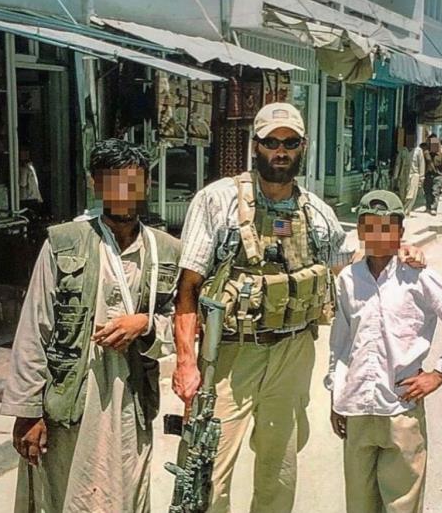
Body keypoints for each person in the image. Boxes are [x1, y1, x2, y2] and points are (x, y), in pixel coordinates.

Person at [172, 102, 426, 513]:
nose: (280, 151)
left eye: (289, 143)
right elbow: (187, 290)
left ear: (302, 147)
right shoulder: (217, 201)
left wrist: (401, 249)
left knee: (279, 470)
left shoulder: (317, 213)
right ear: (255, 146)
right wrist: (186, 363)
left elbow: (352, 258)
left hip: (292, 353)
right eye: (271, 142)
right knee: (207, 469)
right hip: (230, 355)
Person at [0, 139, 181, 513]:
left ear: (146, 185)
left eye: (133, 182)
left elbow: (181, 325)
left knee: (126, 493)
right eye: (113, 182)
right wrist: (28, 410)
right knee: (65, 496)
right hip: (70, 404)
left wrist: (145, 324)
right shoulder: (65, 243)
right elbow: (35, 329)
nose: (124, 193)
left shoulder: (165, 250)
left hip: (130, 403)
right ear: (94, 185)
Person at [327, 190, 442, 513]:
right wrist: (336, 398)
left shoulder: (417, 277)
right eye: (370, 226)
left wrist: (437, 374)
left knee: (402, 507)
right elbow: (340, 346)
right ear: (359, 231)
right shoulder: (348, 281)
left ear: (400, 231)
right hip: (357, 413)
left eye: (387, 227)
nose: (379, 234)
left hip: (400, 412)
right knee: (358, 506)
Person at [422, 136, 442, 216]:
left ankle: (434, 208)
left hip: (437, 176)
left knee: (435, 192)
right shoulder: (426, 154)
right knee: (427, 192)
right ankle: (428, 207)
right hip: (428, 176)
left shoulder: (440, 155)